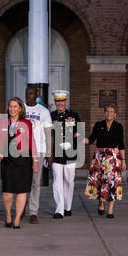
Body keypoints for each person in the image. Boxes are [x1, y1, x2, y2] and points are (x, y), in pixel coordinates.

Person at [0, 97, 38, 229]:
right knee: (7, 191)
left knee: (22, 191)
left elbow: (32, 141)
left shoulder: (27, 123)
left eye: (15, 106)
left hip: (24, 160)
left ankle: (17, 219)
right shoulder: (2, 122)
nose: (12, 109)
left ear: (20, 108)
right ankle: (8, 215)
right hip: (7, 160)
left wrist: (35, 160)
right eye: (10, 106)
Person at [83, 104, 126, 218]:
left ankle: (110, 210)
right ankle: (101, 202)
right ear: (104, 113)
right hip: (99, 157)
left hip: (113, 157)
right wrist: (81, 138)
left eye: (112, 111)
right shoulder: (98, 125)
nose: (109, 113)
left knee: (112, 182)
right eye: (107, 111)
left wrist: (123, 160)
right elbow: (91, 139)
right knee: (100, 181)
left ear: (115, 114)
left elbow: (121, 144)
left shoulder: (118, 126)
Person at [24, 85, 53, 224]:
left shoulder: (44, 111)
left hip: (39, 149)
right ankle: (21, 206)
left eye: (31, 93)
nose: (28, 96)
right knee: (22, 180)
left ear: (36, 95)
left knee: (36, 182)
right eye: (27, 93)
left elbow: (48, 134)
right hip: (22, 150)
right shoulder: (19, 108)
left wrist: (49, 153)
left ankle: (33, 212)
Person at [50, 90, 80, 219]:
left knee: (69, 180)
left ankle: (68, 207)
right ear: (55, 102)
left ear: (66, 101)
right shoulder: (51, 116)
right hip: (56, 152)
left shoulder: (73, 115)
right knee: (57, 181)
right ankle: (59, 210)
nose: (60, 103)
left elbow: (79, 133)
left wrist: (71, 142)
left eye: (62, 101)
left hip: (70, 152)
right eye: (57, 101)